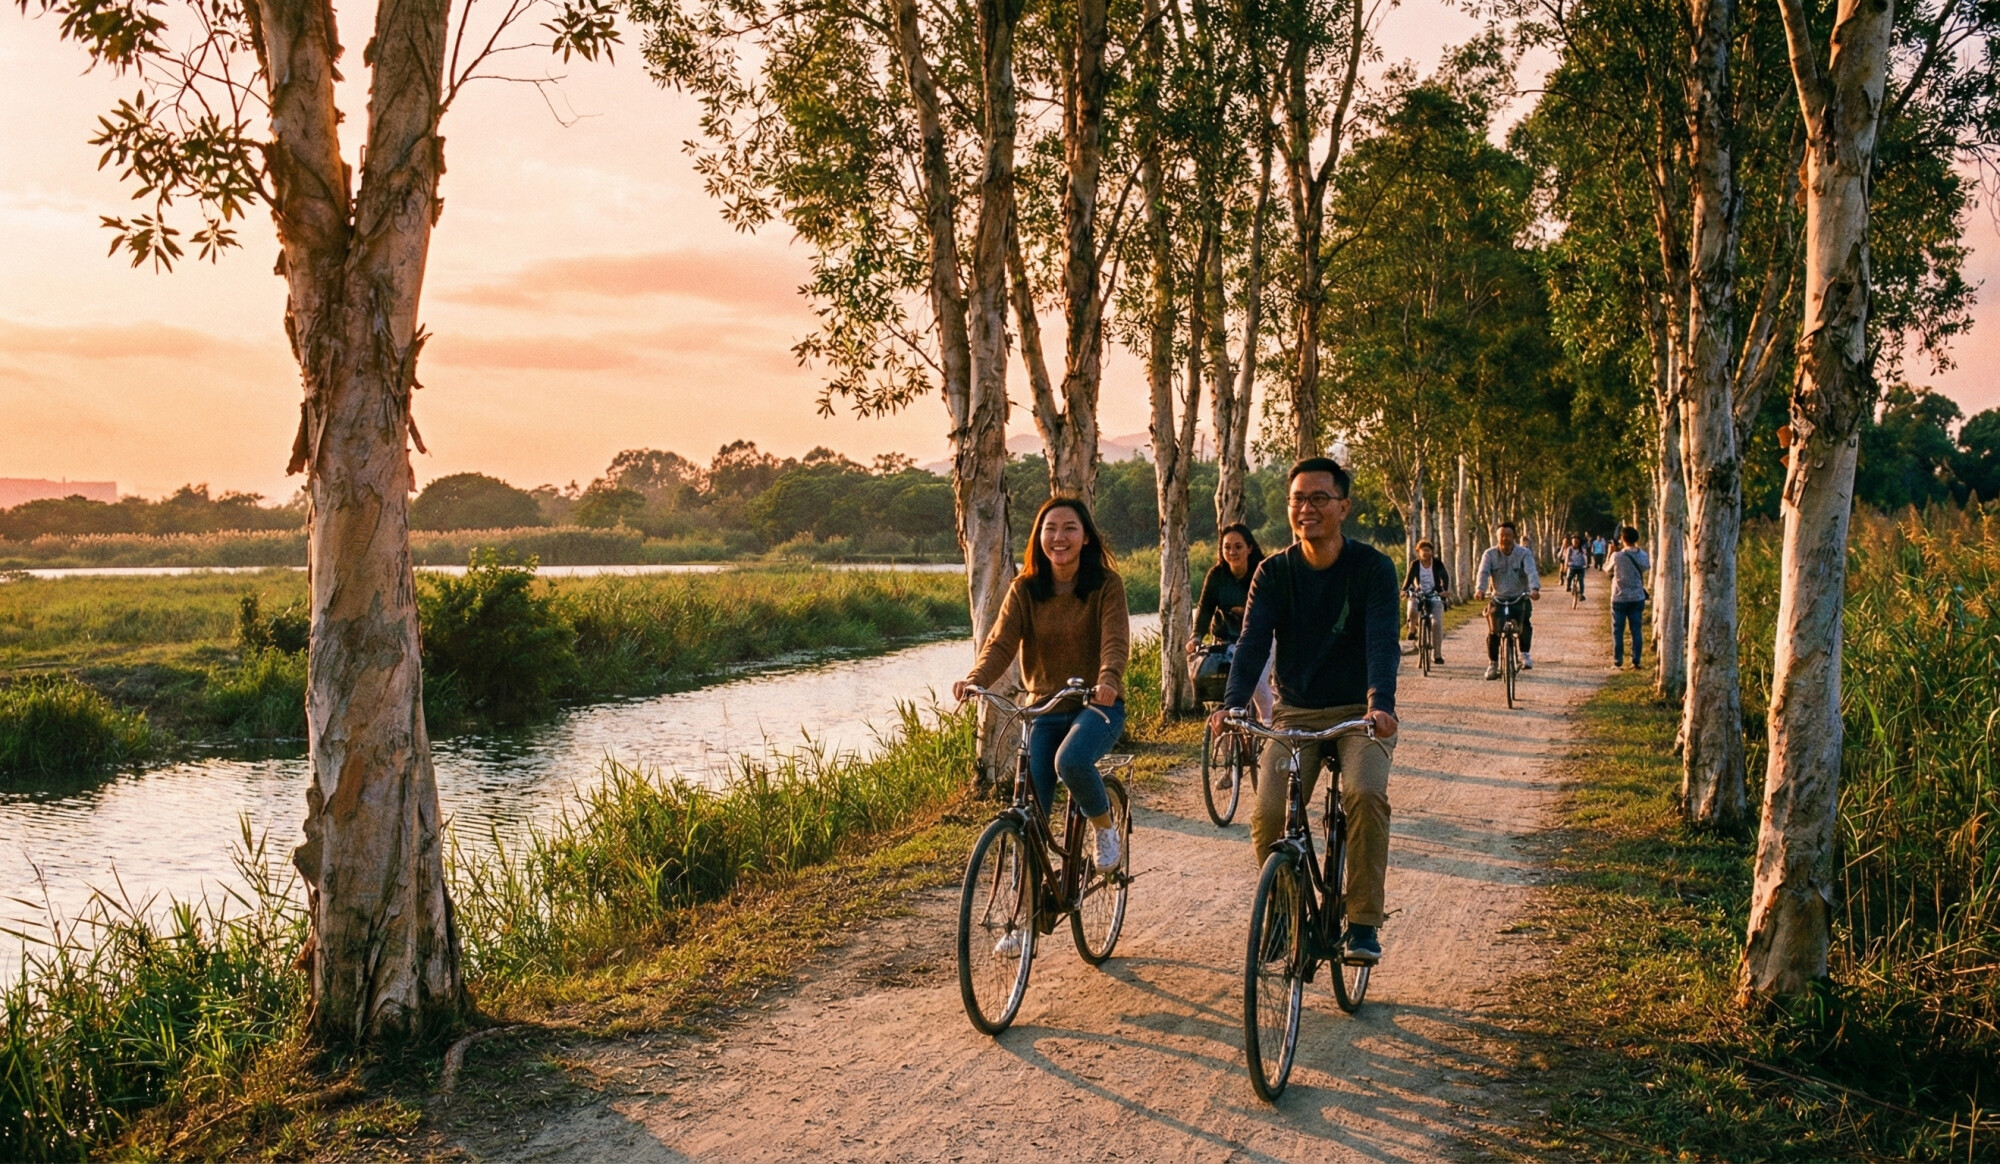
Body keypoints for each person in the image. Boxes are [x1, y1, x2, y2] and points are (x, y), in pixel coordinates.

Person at [1210, 457, 1401, 965]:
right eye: (1298, 499)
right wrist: (1232, 704)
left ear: (1344, 506)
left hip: (1359, 713)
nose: (1307, 508)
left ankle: (1362, 923)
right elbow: (1251, 644)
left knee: (1363, 793)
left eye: (1319, 498)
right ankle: (1285, 913)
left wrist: (1381, 703)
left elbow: (1383, 642)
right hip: (1295, 714)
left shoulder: (1374, 568)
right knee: (1269, 812)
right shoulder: (1273, 572)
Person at [957, 497, 1131, 879]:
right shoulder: (1025, 589)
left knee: (1070, 761)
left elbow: (1115, 642)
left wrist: (1107, 680)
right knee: (1032, 810)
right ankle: (1027, 908)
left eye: (1070, 528)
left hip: (1097, 707)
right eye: (1050, 529)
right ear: (1039, 537)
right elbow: (1000, 643)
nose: (1059, 537)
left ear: (1085, 537)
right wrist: (976, 680)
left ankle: (1104, 828)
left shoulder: (1106, 585)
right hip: (1043, 709)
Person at [1190, 523, 1276, 757]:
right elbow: (1205, 607)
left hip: (1262, 637)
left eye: (1238, 547)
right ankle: (1229, 758)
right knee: (1226, 688)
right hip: (1226, 638)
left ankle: (1270, 728)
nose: (1232, 552)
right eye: (1227, 547)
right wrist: (1196, 636)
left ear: (1249, 548)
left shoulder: (1263, 571)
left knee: (1257, 681)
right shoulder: (1217, 575)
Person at [1476, 520, 1540, 679]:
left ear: (1514, 537)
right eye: (1502, 536)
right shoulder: (1489, 554)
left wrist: (1534, 589)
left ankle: (1524, 653)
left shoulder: (1524, 553)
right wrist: (1480, 589)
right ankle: (1493, 664)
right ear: (1497, 537)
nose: (1505, 539)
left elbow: (1531, 571)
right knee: (1493, 631)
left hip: (1520, 597)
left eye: (1509, 535)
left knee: (1525, 623)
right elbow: (1483, 573)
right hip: (1498, 598)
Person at [1607, 525, 1651, 670]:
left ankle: (1618, 661)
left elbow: (1606, 569)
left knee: (1618, 630)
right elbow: (1646, 567)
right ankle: (1636, 661)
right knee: (1636, 630)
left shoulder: (1617, 556)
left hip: (1619, 597)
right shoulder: (1643, 555)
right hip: (1637, 596)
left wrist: (1610, 552)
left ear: (1623, 539)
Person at [1401, 538, 1449, 665]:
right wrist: (1404, 590)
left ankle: (1437, 655)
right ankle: (1412, 629)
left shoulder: (1437, 564)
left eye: (1428, 550)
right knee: (1412, 607)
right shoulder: (1415, 564)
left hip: (1435, 594)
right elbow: (1409, 578)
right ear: (1418, 552)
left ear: (1432, 552)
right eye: (1423, 551)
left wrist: (1444, 591)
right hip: (1418, 593)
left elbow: (1445, 577)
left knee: (1436, 624)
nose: (1426, 553)